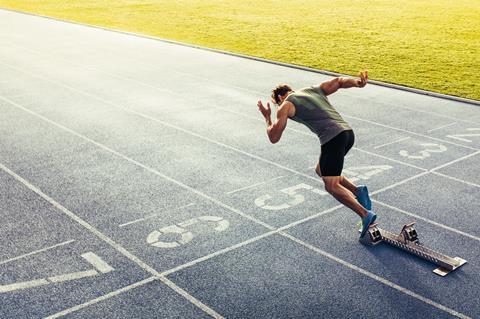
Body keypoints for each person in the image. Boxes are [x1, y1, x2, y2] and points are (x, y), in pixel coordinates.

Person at [257, 71, 376, 237]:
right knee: (321, 170)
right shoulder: (312, 90)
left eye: (278, 103)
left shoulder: (285, 105)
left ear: (281, 97)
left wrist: (268, 117)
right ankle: (358, 191)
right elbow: (339, 81)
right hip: (347, 134)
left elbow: (274, 137)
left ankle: (365, 214)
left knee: (331, 185)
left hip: (332, 138)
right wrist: (357, 83)